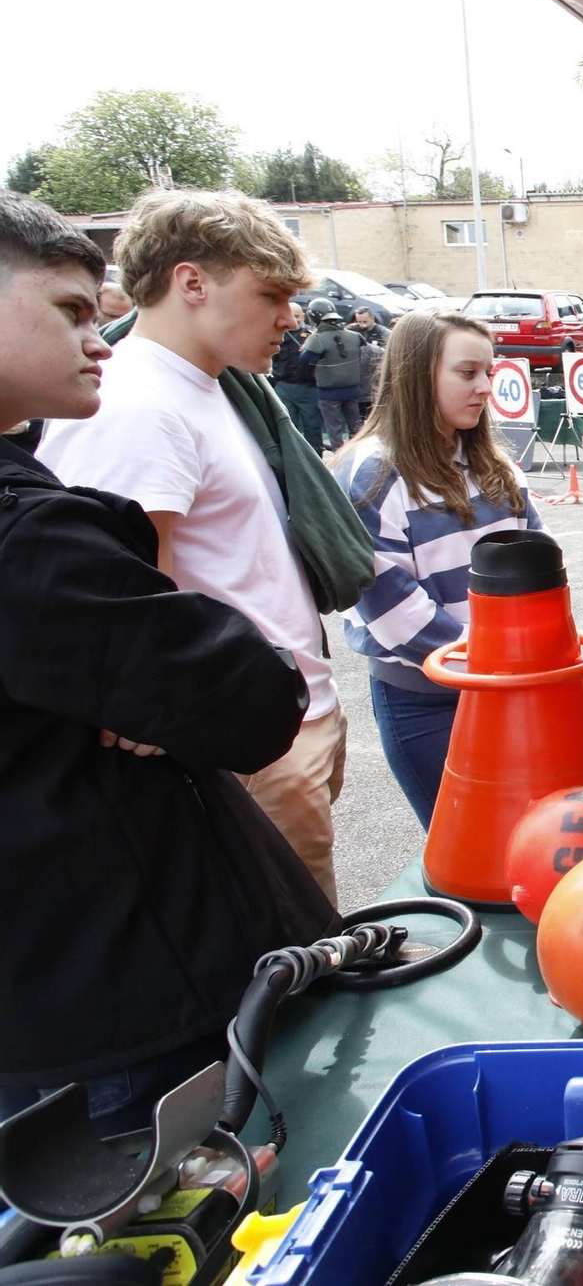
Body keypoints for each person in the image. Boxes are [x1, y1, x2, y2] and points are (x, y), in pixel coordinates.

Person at [0, 192, 335, 1134]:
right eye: (68, 311)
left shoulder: (195, 390)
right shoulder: (51, 504)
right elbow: (226, 687)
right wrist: (163, 676)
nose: (95, 336)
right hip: (114, 989)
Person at [39, 188, 350, 905]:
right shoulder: (139, 406)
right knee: (291, 967)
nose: (290, 315)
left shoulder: (206, 389)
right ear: (191, 282)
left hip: (282, 722)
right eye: (271, 292)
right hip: (247, 742)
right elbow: (128, 615)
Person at [333, 311, 545, 828]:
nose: (486, 388)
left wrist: (532, 659)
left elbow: (540, 573)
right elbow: (393, 612)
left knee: (528, 836)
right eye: (467, 373)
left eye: (489, 373)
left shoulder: (496, 465)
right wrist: (500, 661)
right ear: (415, 374)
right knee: (467, 845)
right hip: (424, 704)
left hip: (510, 689)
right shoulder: (373, 471)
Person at [300, 297, 369, 449]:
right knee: (356, 427)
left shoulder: (316, 339)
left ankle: (339, 459)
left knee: (334, 429)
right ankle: (360, 452)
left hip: (329, 392)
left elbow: (305, 361)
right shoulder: (354, 336)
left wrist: (305, 347)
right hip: (352, 389)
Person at [272, 301, 327, 452]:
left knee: (313, 426)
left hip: (308, 387)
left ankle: (316, 459)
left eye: (297, 316)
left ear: (303, 316)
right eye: (291, 316)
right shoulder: (276, 335)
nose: (294, 320)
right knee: (287, 426)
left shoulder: (313, 336)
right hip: (284, 386)